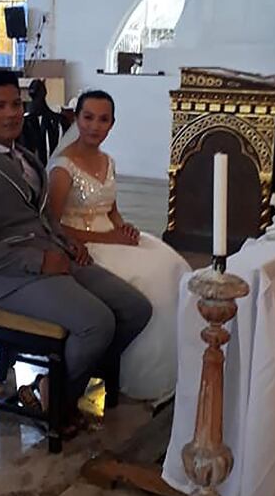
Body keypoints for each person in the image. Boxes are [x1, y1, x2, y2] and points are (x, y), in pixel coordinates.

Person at [0, 70, 152, 435]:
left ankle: (54, 388)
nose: (12, 113)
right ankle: (59, 403)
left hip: (54, 256)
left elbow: (40, 216)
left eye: (16, 104)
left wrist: (65, 241)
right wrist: (39, 260)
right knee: (97, 321)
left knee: (136, 309)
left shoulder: (24, 156)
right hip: (9, 276)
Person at [48, 90, 190, 401]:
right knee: (154, 280)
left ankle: (172, 368)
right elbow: (52, 225)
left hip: (110, 237)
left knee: (175, 266)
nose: (95, 126)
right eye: (88, 118)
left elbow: (110, 209)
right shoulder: (63, 167)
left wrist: (122, 227)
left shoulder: (107, 161)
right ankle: (131, 369)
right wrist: (107, 238)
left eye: (103, 120)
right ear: (76, 118)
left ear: (112, 124)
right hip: (83, 247)